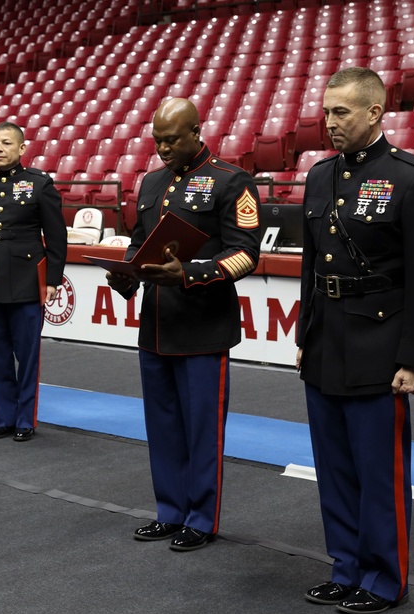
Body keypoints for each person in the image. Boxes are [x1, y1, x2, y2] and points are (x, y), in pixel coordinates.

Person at [297, 67, 414, 614]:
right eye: (326, 112)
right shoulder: (320, 177)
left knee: (378, 472)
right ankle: (345, 568)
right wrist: (305, 332)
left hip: (379, 344)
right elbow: (312, 267)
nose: (330, 122)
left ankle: (384, 578)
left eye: (341, 112)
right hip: (325, 342)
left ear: (373, 112)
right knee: (334, 467)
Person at [107, 98, 261, 551]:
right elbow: (141, 245)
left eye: (172, 139)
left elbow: (246, 254)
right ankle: (169, 511)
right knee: (163, 426)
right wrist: (125, 274)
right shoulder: (151, 183)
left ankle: (201, 517)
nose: (162, 148)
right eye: (157, 139)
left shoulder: (231, 181)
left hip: (202, 327)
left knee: (201, 429)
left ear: (197, 131)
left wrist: (191, 273)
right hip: (156, 324)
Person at [0, 121, 67, 442]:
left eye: (6, 143)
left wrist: (51, 280)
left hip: (26, 283)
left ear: (22, 148)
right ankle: (4, 416)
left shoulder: (39, 184)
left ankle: (25, 418)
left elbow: (56, 237)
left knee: (27, 356)